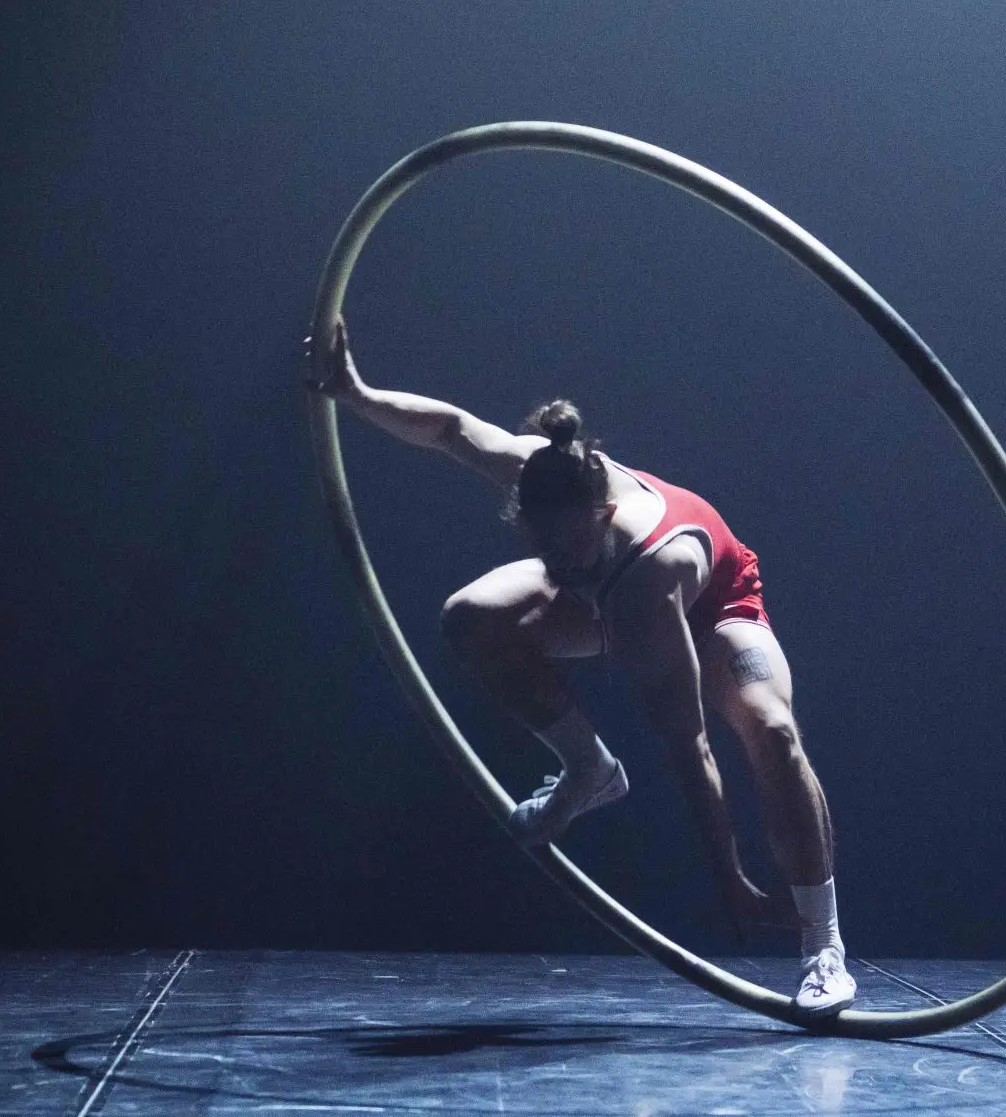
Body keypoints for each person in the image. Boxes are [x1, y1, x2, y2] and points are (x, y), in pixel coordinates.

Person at [305, 318, 857, 1015]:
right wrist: (354, 393)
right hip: (604, 594)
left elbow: (690, 749)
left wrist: (728, 874)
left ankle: (823, 946)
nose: (555, 556)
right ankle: (588, 768)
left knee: (771, 731)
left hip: (712, 604)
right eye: (543, 542)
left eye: (568, 543)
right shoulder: (541, 471)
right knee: (469, 615)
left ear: (602, 513)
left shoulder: (648, 578)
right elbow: (448, 428)